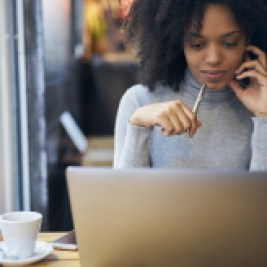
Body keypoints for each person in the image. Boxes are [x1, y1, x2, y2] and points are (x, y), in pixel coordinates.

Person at [114, 0, 267, 170]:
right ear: (178, 41)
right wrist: (138, 128)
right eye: (197, 44)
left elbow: (261, 196)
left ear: (248, 39)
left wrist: (264, 117)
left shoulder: (263, 106)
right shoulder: (139, 101)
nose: (213, 58)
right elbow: (125, 195)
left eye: (229, 43)